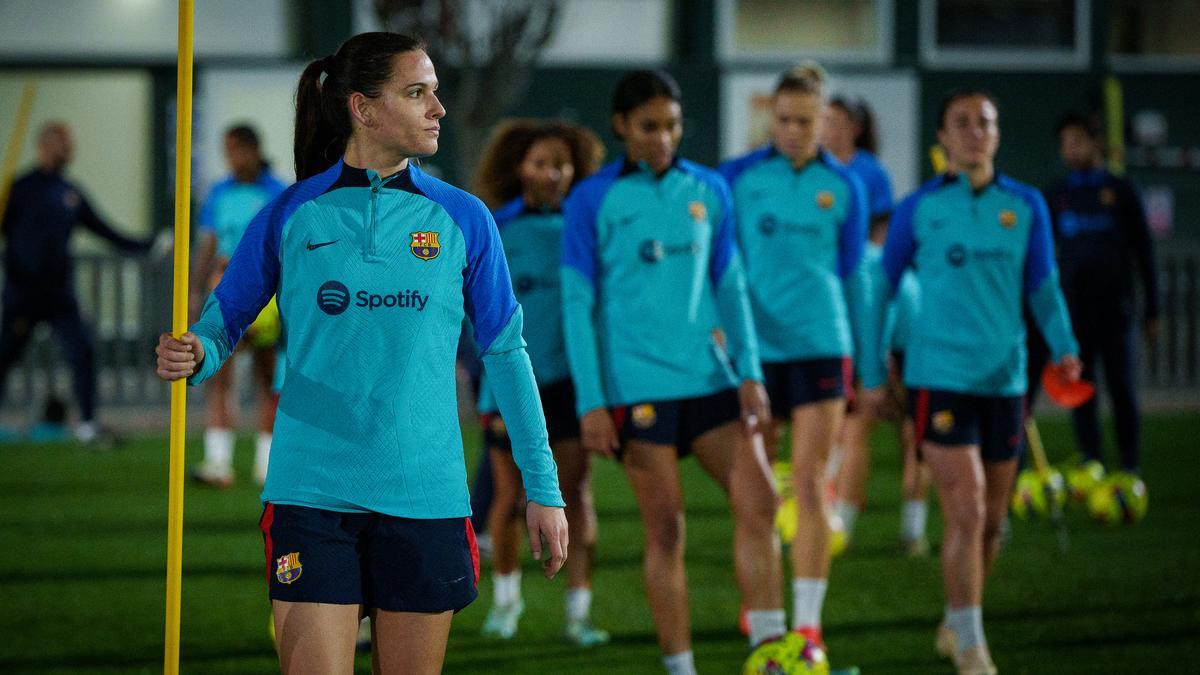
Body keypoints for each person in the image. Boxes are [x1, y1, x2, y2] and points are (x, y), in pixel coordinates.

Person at [154, 32, 567, 675]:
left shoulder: (465, 218)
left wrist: (543, 489)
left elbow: (507, 354)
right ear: (363, 108)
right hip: (311, 490)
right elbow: (223, 322)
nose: (438, 108)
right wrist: (196, 353)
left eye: (434, 92)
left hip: (425, 491)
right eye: (417, 92)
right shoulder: (291, 213)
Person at [562, 69, 783, 675]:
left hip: (711, 381)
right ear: (621, 126)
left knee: (760, 501)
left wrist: (751, 372)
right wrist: (591, 402)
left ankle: (773, 654)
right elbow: (577, 308)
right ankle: (680, 667)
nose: (663, 138)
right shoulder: (592, 199)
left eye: (673, 126)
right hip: (639, 389)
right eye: (649, 126)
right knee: (666, 530)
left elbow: (732, 287)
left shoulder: (711, 190)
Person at [860, 89, 1082, 675]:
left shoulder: (1026, 205)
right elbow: (881, 289)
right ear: (943, 138)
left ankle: (958, 616)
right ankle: (973, 644)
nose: (975, 132)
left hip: (1006, 381)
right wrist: (870, 366)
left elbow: (1043, 288)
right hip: (940, 378)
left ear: (998, 134)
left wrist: (1065, 350)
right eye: (962, 123)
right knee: (965, 504)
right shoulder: (919, 209)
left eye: (985, 122)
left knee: (990, 522)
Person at [718, 63, 870, 661]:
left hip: (823, 347)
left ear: (824, 120)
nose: (793, 130)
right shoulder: (736, 181)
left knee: (810, 484)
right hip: (757, 353)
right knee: (756, 491)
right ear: (770, 119)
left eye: (806, 120)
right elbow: (719, 268)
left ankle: (807, 624)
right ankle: (763, 601)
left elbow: (856, 277)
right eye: (783, 119)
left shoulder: (847, 188)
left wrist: (869, 362)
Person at [471, 119, 608, 646]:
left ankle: (579, 614)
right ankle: (506, 606)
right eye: (541, 163)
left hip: (571, 383)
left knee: (574, 492)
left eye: (562, 164)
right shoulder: (495, 228)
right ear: (519, 168)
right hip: (508, 386)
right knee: (508, 497)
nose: (553, 174)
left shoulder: (586, 229)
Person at [0, 121, 153, 444]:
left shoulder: (69, 193)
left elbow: (105, 230)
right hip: (23, 293)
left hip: (59, 295)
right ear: (44, 144)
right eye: (64, 143)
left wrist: (147, 245)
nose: (71, 149)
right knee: (4, 357)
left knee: (82, 351)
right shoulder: (19, 188)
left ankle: (86, 424)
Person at [1035, 111, 1159, 482]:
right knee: (1079, 388)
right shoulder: (1057, 194)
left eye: (1076, 141)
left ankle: (1129, 466)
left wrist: (1154, 308)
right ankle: (1090, 461)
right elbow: (1040, 255)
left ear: (1096, 143)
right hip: (1073, 313)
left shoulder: (1122, 191)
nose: (1069, 149)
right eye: (1064, 143)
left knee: (1122, 388)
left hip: (1116, 310)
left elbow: (1145, 250)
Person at [189, 124, 288, 487]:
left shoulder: (277, 192)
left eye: (236, 150)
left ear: (252, 149)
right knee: (219, 376)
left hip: (269, 299)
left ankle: (267, 464)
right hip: (226, 293)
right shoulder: (219, 192)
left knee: (268, 379)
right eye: (227, 151)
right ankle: (218, 463)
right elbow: (209, 243)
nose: (231, 158)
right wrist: (194, 291)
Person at [820, 95, 897, 548]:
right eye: (823, 120)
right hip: (826, 316)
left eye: (836, 120)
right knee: (828, 430)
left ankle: (844, 520)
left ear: (855, 126)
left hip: (865, 306)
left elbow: (879, 241)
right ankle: (826, 509)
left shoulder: (869, 172)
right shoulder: (813, 170)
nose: (828, 128)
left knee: (857, 427)